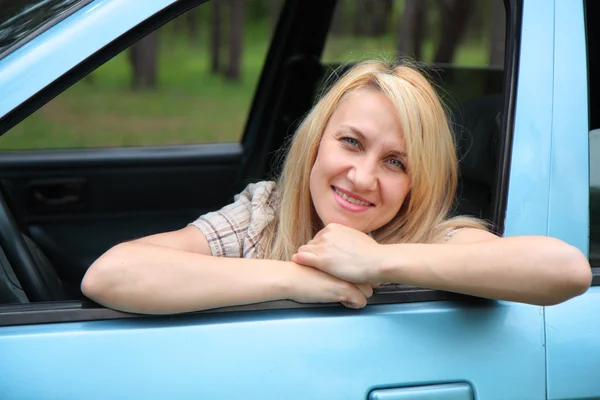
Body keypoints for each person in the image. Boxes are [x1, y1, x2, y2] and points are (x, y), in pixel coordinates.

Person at [81, 59, 592, 314]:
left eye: (396, 162)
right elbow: (112, 274)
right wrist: (296, 280)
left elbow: (564, 270)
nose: (363, 177)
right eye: (351, 142)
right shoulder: (266, 215)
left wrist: (378, 262)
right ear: (317, 142)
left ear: (420, 182)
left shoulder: (431, 239)